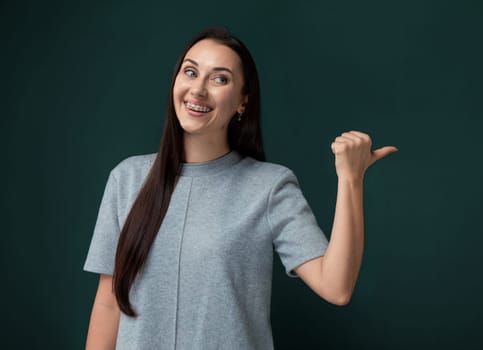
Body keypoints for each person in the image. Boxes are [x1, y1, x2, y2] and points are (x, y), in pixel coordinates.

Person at [83, 27, 398, 350]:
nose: (198, 90)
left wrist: (350, 179)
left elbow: (337, 286)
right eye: (190, 72)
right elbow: (109, 303)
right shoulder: (128, 179)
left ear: (242, 103)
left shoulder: (269, 187)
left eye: (220, 79)